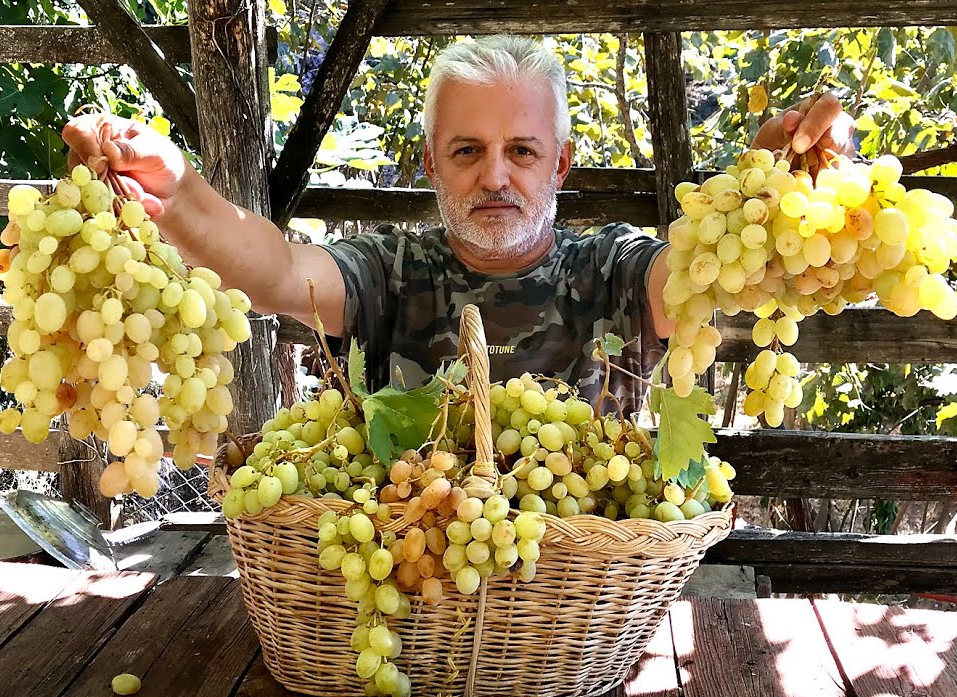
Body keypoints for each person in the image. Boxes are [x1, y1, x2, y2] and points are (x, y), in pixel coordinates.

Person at [63, 35, 854, 414]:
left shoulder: (612, 271)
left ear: (562, 166)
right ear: (433, 164)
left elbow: (710, 272)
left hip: (583, 613)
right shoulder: (388, 271)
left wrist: (769, 194)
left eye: (522, 151)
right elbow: (270, 271)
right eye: (468, 151)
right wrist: (177, 192)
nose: (496, 175)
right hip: (416, 596)